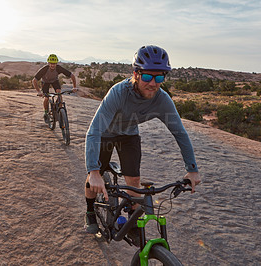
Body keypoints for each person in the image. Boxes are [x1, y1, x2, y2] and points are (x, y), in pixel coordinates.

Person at [84, 45, 201, 242]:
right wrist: (94, 172)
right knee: (93, 180)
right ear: (136, 74)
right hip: (105, 134)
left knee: (134, 181)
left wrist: (192, 169)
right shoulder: (118, 93)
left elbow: (180, 133)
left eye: (159, 77)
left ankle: (132, 221)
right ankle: (89, 212)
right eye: (147, 77)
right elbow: (94, 130)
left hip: (129, 135)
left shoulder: (162, 100)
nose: (153, 83)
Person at [32, 54, 77, 122]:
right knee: (46, 98)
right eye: (51, 63)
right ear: (48, 63)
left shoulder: (59, 68)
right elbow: (34, 80)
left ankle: (59, 110)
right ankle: (46, 112)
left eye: (54, 64)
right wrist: (38, 91)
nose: (52, 65)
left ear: (56, 63)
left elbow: (72, 76)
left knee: (59, 93)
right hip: (45, 82)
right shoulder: (44, 69)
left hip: (54, 81)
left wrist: (74, 87)